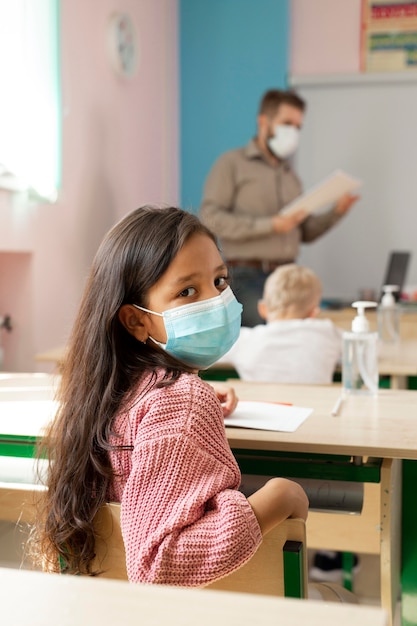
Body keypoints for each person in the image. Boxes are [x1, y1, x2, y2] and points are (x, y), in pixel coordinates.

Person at [30, 205, 308, 586]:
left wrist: (192, 396)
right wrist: (277, 498)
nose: (214, 301)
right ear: (137, 320)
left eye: (221, 281)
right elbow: (156, 564)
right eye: (187, 291)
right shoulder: (181, 401)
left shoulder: (110, 389)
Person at [199, 88, 359, 327]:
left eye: (298, 126)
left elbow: (305, 232)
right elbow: (210, 218)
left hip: (288, 276)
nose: (293, 132)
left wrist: (337, 212)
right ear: (264, 122)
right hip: (246, 276)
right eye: (287, 123)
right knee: (277, 334)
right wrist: (271, 225)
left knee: (310, 332)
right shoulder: (231, 164)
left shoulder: (290, 177)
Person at [218, 264, 343, 384]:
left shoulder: (244, 340)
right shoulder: (328, 332)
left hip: (263, 405)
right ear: (313, 312)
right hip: (315, 405)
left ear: (262, 309)